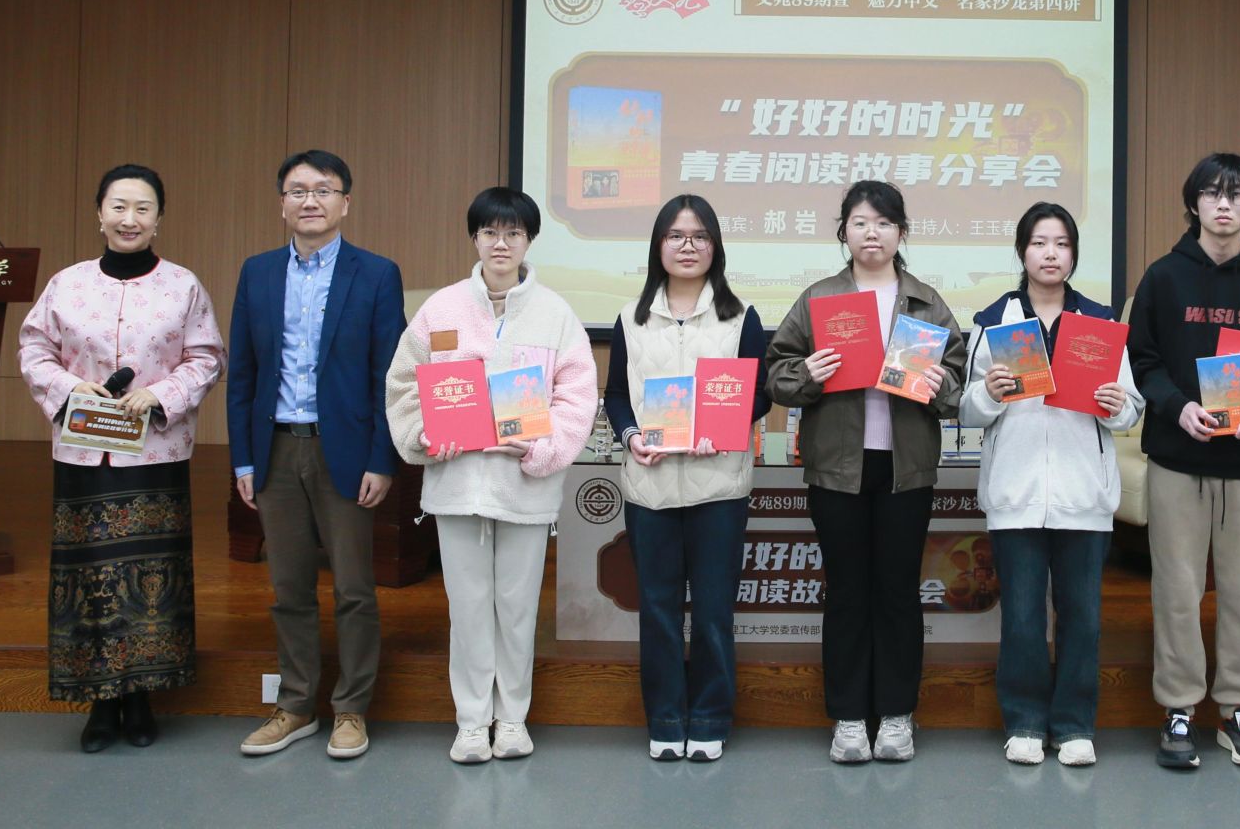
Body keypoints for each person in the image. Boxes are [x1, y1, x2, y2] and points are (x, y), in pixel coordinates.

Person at [386, 187, 598, 764]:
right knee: (468, 608)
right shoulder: (440, 309)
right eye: (489, 232)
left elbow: (578, 396)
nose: (500, 244)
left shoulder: (556, 314)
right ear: (474, 238)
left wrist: (544, 448)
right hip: (457, 487)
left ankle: (512, 719)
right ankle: (472, 722)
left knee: (518, 608)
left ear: (529, 240)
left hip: (525, 488)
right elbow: (404, 384)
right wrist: (423, 435)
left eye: (513, 233)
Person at [18, 164, 223, 752]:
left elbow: (207, 357)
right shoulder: (67, 284)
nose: (129, 219)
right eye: (118, 206)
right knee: (89, 576)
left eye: (142, 208)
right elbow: (34, 349)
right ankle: (100, 702)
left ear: (159, 218)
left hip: (155, 452)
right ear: (99, 213)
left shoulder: (182, 285)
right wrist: (68, 388)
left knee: (151, 576)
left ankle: (142, 697)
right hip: (84, 454)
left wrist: (159, 395)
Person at [766, 181, 967, 764]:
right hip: (838, 468)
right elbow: (776, 374)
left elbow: (958, 385)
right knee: (847, 592)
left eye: (883, 223)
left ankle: (898, 715)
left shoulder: (926, 301)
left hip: (906, 469)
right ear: (844, 232)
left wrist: (940, 385)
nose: (871, 233)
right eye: (859, 222)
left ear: (901, 232)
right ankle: (850, 717)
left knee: (899, 592)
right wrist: (806, 373)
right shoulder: (820, 299)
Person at [227, 150, 405, 760]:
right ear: (282, 203)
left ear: (345, 203)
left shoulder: (376, 274)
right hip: (275, 449)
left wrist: (382, 458)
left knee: (354, 588)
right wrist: (244, 461)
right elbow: (243, 375)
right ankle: (296, 705)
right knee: (289, 587)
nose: (310, 200)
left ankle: (351, 709)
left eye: (323, 190)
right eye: (298, 190)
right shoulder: (257, 272)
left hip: (346, 451)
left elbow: (389, 375)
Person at [1130, 152, 1240, 772]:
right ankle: (1178, 706)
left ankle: (1235, 708)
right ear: (1194, 204)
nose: (1223, 204)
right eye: (1211, 193)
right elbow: (1143, 360)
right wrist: (1177, 408)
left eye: (1236, 195)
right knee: (1176, 589)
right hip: (1177, 458)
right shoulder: (1163, 277)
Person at [959, 202, 1141, 768]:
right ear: (1022, 252)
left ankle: (1074, 725)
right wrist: (989, 393)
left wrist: (1116, 405)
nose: (1050, 254)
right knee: (1021, 618)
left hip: (1084, 495)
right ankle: (1025, 722)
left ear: (1074, 254)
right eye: (1039, 243)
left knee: (1082, 617)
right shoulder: (995, 321)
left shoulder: (1100, 323)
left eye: (1061, 244)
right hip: (1014, 495)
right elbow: (966, 410)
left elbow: (1131, 409)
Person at [602, 194, 772, 762]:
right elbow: (617, 395)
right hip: (649, 485)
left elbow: (760, 394)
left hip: (718, 483)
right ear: (658, 245)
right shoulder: (631, 317)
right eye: (676, 235)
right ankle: (666, 718)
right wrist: (630, 436)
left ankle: (711, 718)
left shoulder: (741, 316)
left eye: (700, 236)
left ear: (715, 246)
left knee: (715, 610)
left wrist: (723, 426)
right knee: (658, 608)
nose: (688, 246)